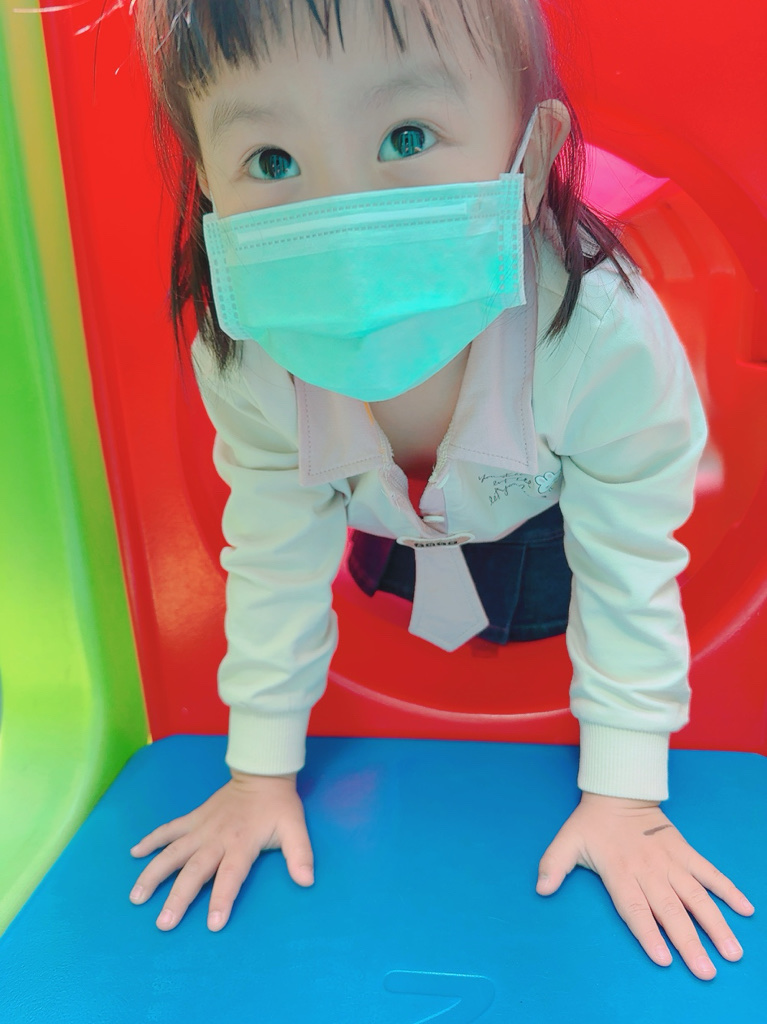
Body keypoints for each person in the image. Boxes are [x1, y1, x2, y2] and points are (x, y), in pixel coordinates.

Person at [128, 0, 754, 978]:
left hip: (538, 509)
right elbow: (274, 550)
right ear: (207, 177)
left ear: (526, 156)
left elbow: (629, 559)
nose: (341, 220)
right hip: (376, 512)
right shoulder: (246, 353)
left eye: (406, 137)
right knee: (397, 581)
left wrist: (625, 795)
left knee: (530, 603)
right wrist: (257, 771)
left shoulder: (596, 337)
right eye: (272, 160)